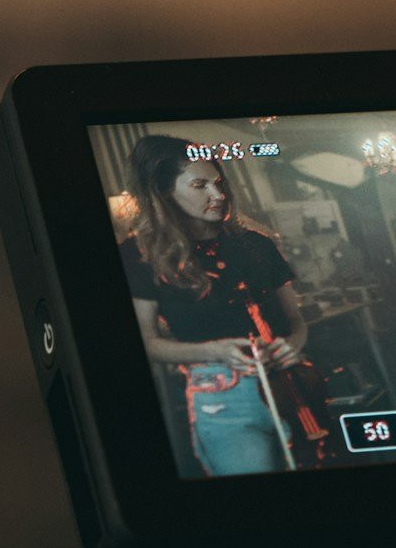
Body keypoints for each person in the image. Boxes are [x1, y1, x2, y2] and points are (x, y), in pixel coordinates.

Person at [118, 134, 311, 476]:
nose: (218, 195)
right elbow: (145, 343)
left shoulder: (256, 244)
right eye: (200, 185)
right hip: (224, 398)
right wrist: (216, 351)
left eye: (219, 184)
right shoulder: (139, 255)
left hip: (292, 383)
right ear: (164, 192)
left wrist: (293, 345)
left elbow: (296, 321)